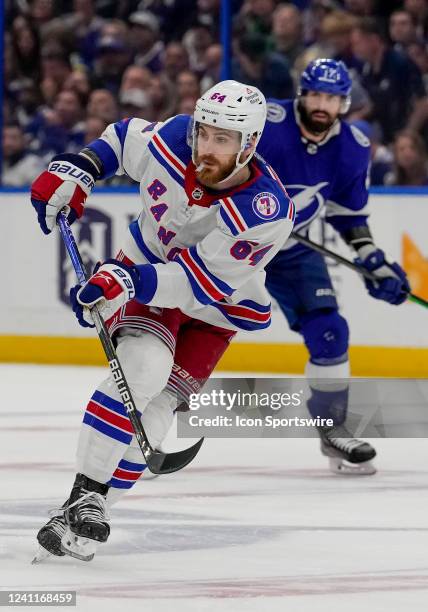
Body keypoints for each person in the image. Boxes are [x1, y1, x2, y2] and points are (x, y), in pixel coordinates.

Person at [29, 80, 295, 561]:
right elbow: (122, 137)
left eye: (221, 139)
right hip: (148, 267)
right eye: (203, 133)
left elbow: (198, 282)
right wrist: (77, 172)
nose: (205, 148)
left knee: (156, 416)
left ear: (249, 144)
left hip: (215, 304)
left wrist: (123, 283)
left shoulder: (265, 211)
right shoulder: (173, 139)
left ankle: (87, 511)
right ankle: (86, 493)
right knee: (141, 369)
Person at [257, 59, 410, 475]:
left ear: (345, 102)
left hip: (292, 253)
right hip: (229, 248)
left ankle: (332, 430)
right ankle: (143, 424)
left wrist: (371, 258)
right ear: (302, 94)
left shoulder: (353, 148)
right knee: (190, 329)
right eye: (316, 95)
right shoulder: (264, 122)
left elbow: (346, 213)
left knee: (330, 330)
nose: (323, 105)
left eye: (333, 98)